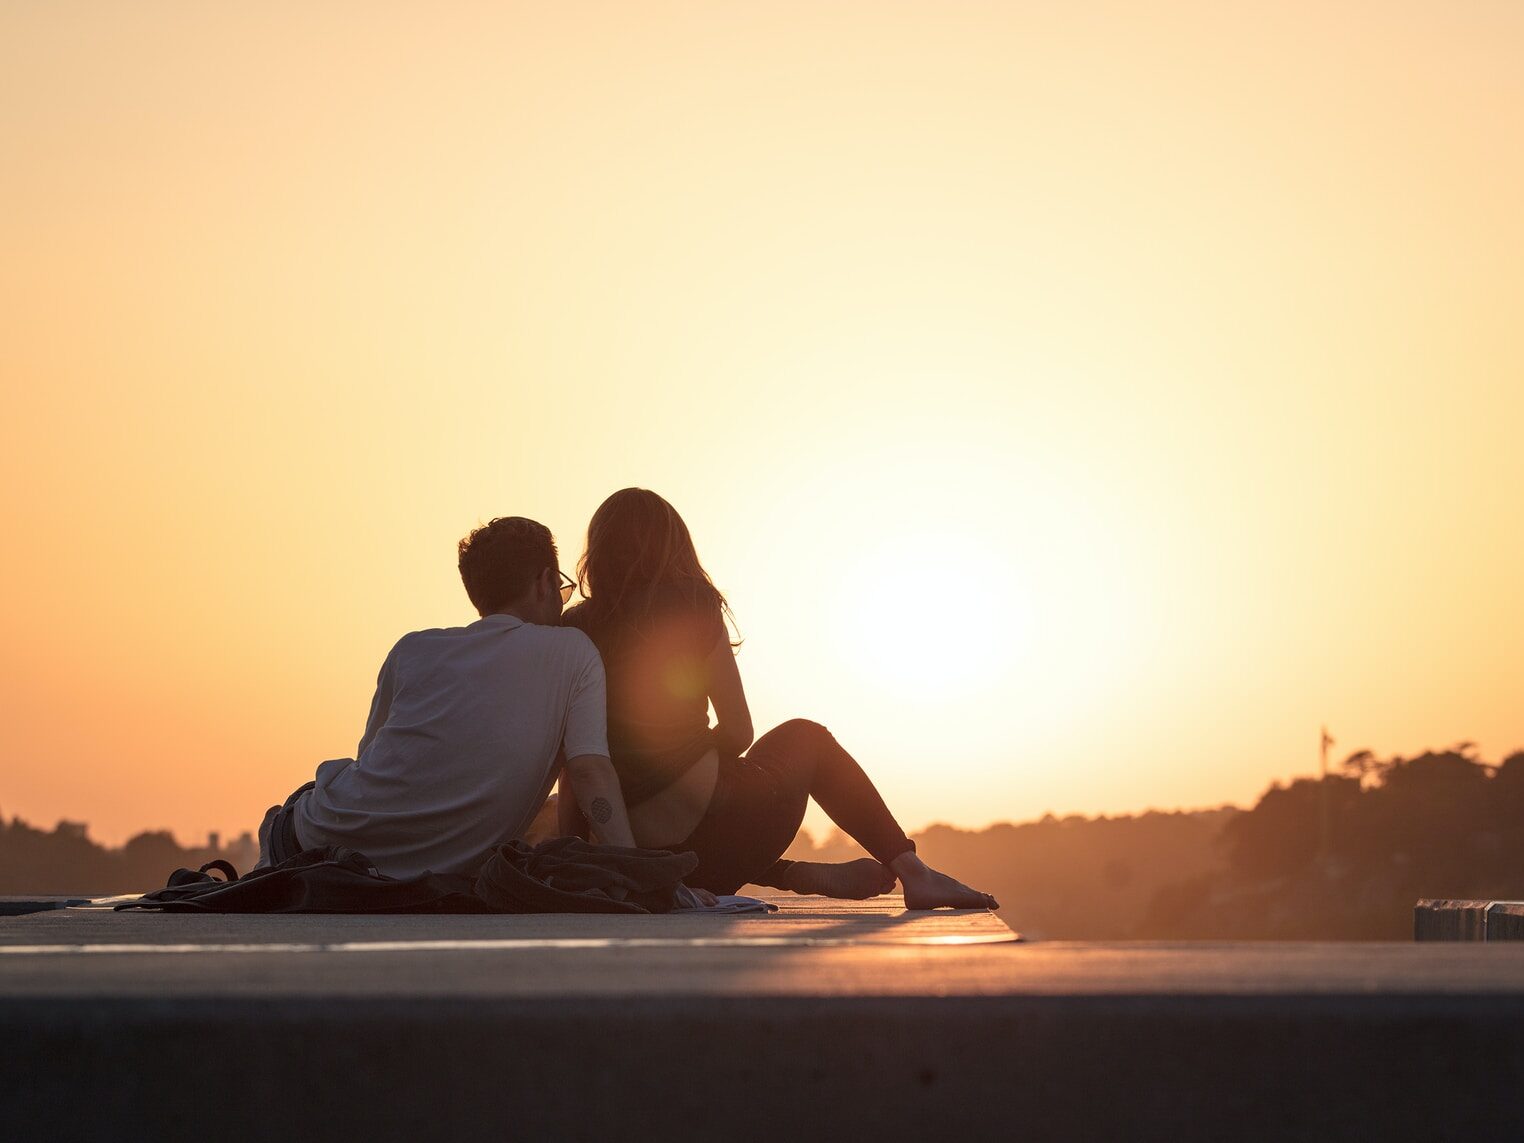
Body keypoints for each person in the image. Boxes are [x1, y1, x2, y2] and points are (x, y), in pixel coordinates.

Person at [559, 488, 998, 910]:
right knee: (807, 737)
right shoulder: (694, 604)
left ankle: (785, 873)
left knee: (679, 822)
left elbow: (573, 763)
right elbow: (739, 730)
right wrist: (691, 756)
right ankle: (914, 873)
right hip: (720, 832)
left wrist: (583, 854)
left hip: (644, 857)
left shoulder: (573, 628)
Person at [256, 515, 655, 886]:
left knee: (310, 799)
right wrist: (642, 879)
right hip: (415, 871)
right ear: (545, 582)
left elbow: (374, 766)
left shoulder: (413, 649)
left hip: (320, 844)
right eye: (563, 589)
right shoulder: (573, 652)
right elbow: (589, 774)